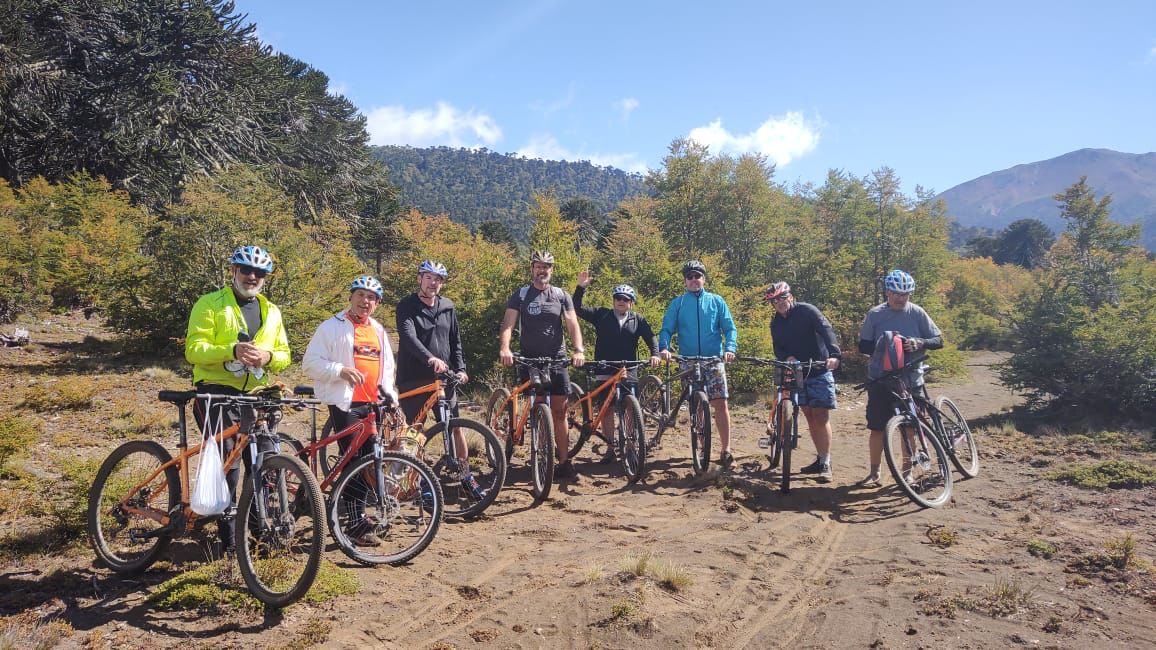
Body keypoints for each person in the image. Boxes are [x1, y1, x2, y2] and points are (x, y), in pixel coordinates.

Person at [184, 245, 291, 553]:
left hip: (256, 395)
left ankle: (258, 535)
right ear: (233, 271)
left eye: (259, 273)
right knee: (228, 461)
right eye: (246, 270)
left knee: (264, 462)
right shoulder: (210, 303)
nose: (252, 277)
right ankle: (230, 540)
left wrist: (268, 357)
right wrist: (231, 351)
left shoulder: (272, 311)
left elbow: (285, 354)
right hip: (216, 391)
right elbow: (194, 350)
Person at [302, 275, 398, 545]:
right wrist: (339, 370)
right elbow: (309, 363)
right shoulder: (331, 327)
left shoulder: (379, 330)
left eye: (371, 298)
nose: (365, 301)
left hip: (373, 405)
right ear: (351, 297)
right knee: (354, 462)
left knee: (369, 463)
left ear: (377, 303)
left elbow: (387, 370)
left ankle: (360, 516)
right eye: (361, 295)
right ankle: (355, 524)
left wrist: (392, 399)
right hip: (346, 403)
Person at [395, 260, 483, 499]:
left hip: (443, 378)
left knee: (455, 426)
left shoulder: (447, 306)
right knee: (415, 429)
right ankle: (416, 481)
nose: (433, 283)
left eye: (438, 279)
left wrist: (461, 368)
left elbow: (455, 341)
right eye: (428, 278)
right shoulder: (407, 305)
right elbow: (408, 336)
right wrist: (430, 358)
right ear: (419, 279)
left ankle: (466, 476)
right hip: (413, 377)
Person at [498, 250, 586, 480]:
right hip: (530, 359)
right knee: (537, 405)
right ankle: (540, 456)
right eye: (538, 266)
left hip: (557, 359)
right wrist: (505, 348)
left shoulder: (561, 295)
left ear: (551, 270)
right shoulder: (521, 295)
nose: (542, 270)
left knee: (560, 411)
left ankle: (564, 462)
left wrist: (579, 350)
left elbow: (572, 324)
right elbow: (508, 324)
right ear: (532, 269)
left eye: (546, 266)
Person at [856, 269, 943, 487]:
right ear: (887, 292)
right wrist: (885, 346)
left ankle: (907, 473)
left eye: (905, 294)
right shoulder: (875, 314)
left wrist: (919, 342)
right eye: (896, 293)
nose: (901, 298)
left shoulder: (917, 312)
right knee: (877, 427)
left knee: (909, 428)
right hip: (881, 379)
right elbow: (863, 346)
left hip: (911, 378)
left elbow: (938, 340)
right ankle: (874, 473)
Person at [573, 271, 661, 463]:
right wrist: (580, 287)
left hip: (628, 368)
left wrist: (655, 354)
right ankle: (610, 447)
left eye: (626, 299)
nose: (621, 301)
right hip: (605, 367)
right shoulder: (602, 314)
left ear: (631, 303)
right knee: (607, 409)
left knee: (630, 408)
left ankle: (629, 445)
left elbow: (650, 337)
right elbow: (576, 309)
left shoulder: (638, 320)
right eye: (618, 298)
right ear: (613, 300)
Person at [658, 260, 738, 466]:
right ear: (685, 281)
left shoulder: (716, 301)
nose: (694, 280)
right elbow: (666, 329)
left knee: (721, 403)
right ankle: (703, 447)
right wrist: (664, 348)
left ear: (704, 279)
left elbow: (730, 328)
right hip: (688, 361)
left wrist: (730, 348)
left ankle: (726, 450)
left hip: (713, 360)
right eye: (690, 277)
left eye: (698, 276)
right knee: (697, 406)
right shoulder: (678, 303)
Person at [764, 281, 841, 483]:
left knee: (821, 416)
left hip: (819, 369)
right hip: (797, 372)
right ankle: (820, 458)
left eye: (782, 298)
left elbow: (827, 330)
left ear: (790, 296)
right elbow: (778, 348)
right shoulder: (776, 323)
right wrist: (786, 356)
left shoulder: (807, 311)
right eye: (774, 301)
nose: (779, 303)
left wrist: (834, 355)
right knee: (809, 415)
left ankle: (825, 462)